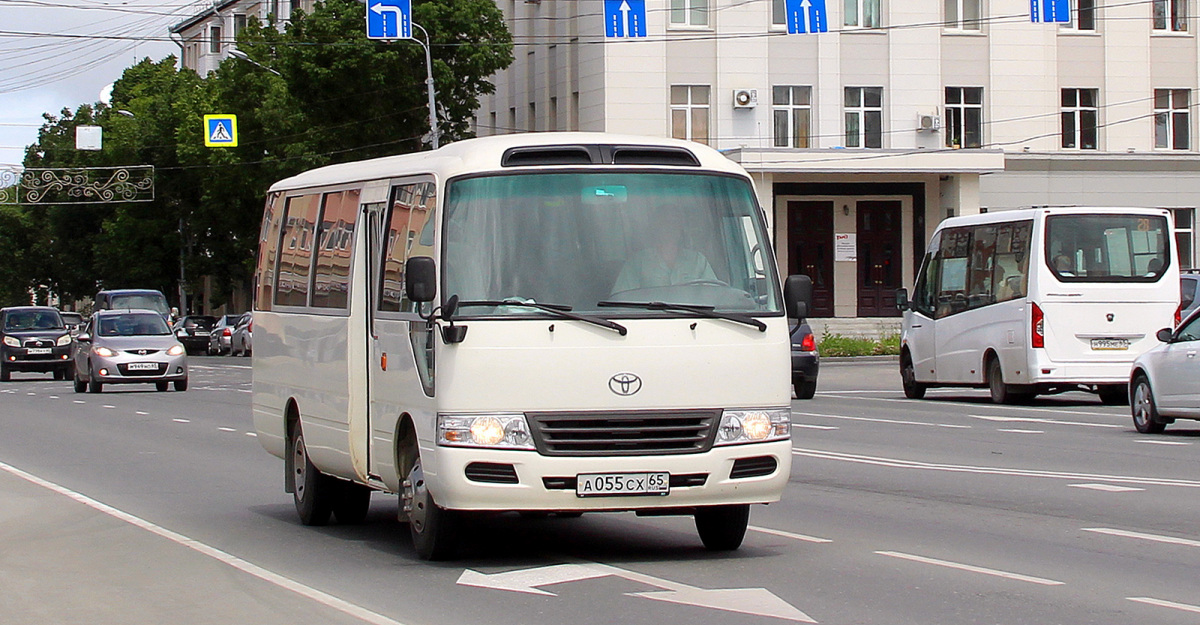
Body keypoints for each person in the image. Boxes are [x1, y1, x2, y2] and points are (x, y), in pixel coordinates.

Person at [611, 205, 718, 294]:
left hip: (696, 318)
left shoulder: (698, 261)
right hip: (647, 318)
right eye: (664, 222)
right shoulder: (637, 262)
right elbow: (622, 300)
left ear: (681, 228)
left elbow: (714, 296)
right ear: (655, 227)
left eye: (674, 222)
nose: (670, 227)